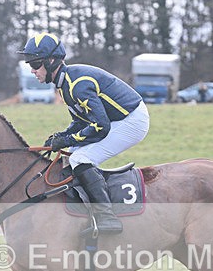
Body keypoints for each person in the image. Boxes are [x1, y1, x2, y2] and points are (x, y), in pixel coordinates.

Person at [17, 32, 150, 234]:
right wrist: (61, 136)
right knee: (70, 154)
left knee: (80, 158)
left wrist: (67, 139)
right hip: (116, 119)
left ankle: (107, 218)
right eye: (30, 65)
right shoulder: (64, 85)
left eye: (35, 65)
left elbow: (100, 127)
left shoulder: (77, 85)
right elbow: (80, 121)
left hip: (132, 120)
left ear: (51, 61)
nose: (33, 71)